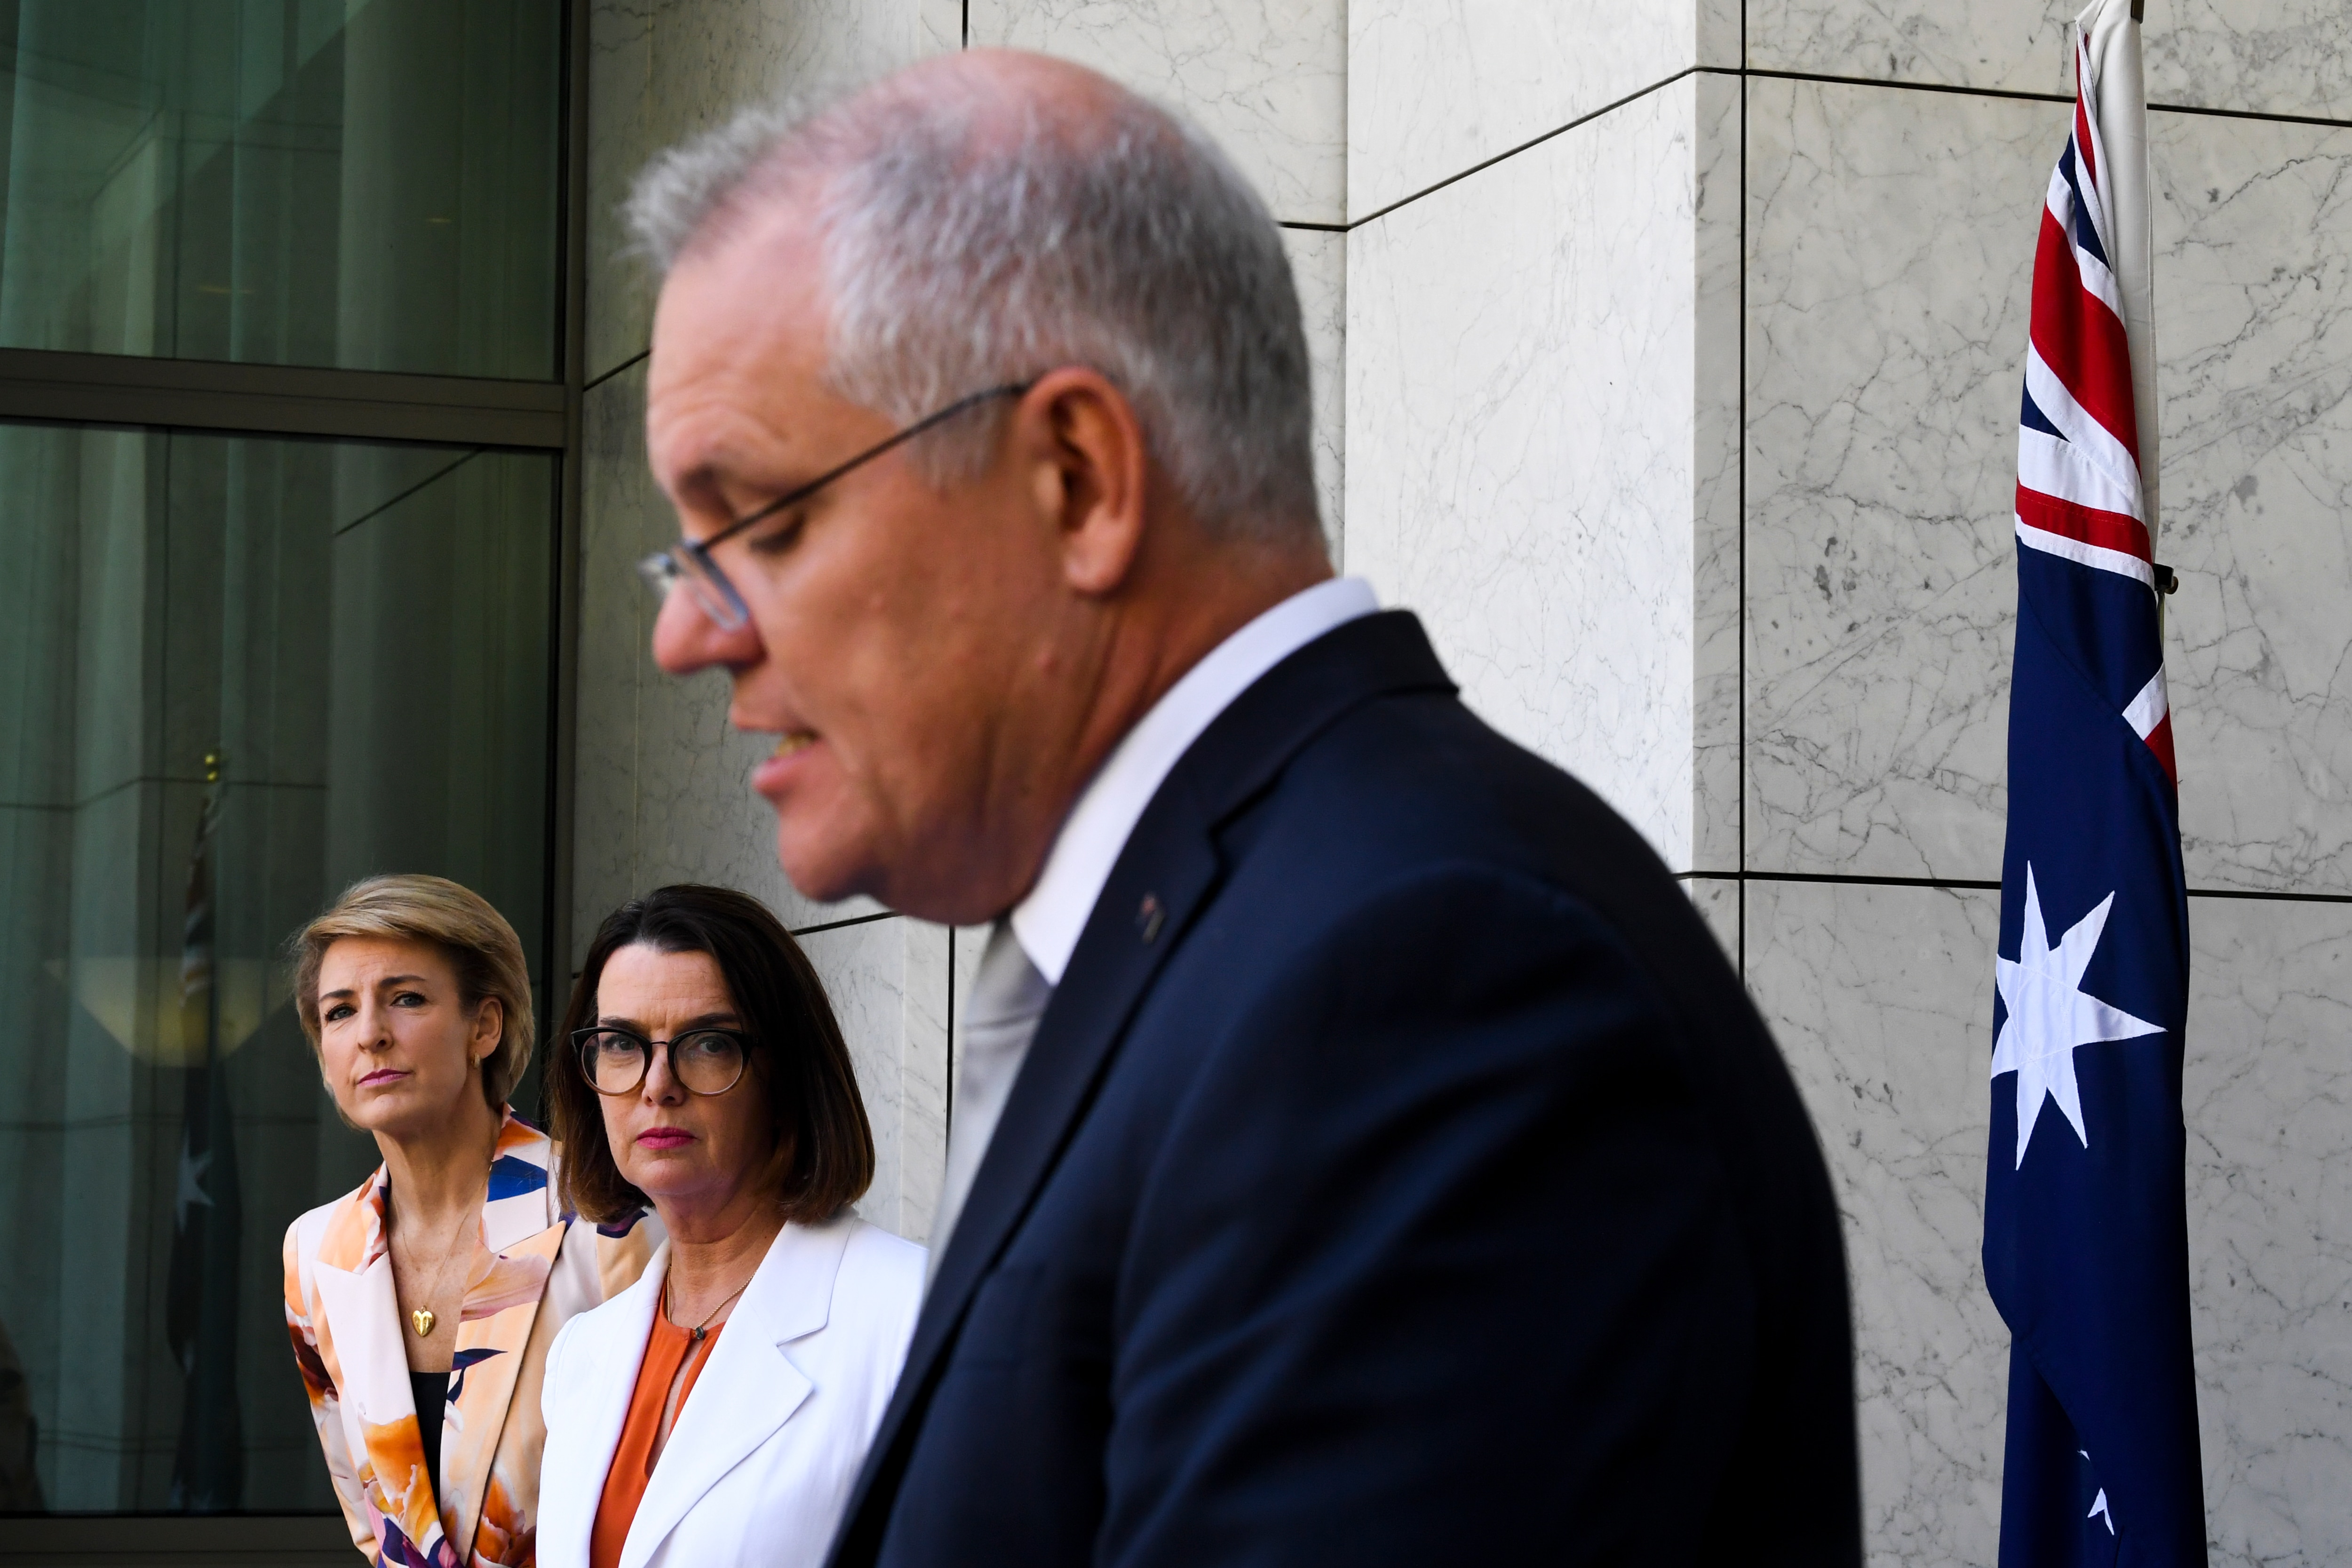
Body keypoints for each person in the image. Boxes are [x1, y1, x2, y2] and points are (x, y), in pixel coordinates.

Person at [628, 50, 1861, 1566]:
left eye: (754, 520)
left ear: (1077, 478)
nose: (685, 632)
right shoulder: (1238, 943)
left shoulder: (1430, 981)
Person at [534, 885, 923, 1568]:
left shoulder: (911, 1313)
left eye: (707, 1042)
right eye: (622, 1043)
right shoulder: (581, 1353)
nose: (657, 1084)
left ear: (787, 1074)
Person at [283, 875, 657, 1567]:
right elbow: (376, 1529)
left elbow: (657, 1492)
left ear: (484, 1026)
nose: (370, 1034)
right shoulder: (315, 1252)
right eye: (339, 1011)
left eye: (406, 998)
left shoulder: (602, 1219)